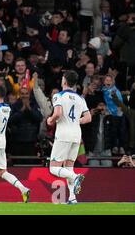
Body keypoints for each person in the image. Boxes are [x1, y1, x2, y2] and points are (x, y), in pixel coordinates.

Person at [47, 70, 92, 204]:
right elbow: (88, 118)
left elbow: (58, 113)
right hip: (76, 135)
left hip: (63, 134)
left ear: (64, 81)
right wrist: (76, 121)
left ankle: (76, 176)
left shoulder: (58, 96)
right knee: (69, 167)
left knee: (54, 168)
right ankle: (72, 197)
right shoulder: (80, 98)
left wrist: (51, 119)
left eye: (62, 78)